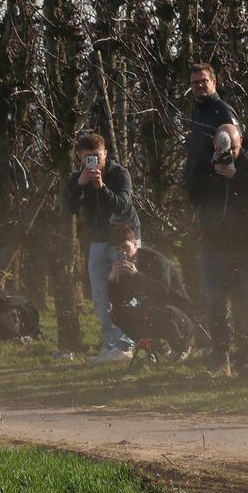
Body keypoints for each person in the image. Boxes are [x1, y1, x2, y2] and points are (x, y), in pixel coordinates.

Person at [187, 120, 248, 375]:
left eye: (233, 147)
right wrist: (214, 171)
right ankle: (220, 356)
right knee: (215, 302)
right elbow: (194, 196)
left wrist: (236, 176)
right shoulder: (204, 165)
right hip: (214, 247)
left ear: (240, 143)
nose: (228, 153)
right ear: (214, 144)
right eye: (223, 146)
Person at [64, 130, 140, 364]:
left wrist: (101, 187)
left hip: (123, 238)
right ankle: (111, 344)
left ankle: (127, 343)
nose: (93, 162)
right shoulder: (79, 178)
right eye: (87, 157)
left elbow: (123, 206)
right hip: (98, 239)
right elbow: (68, 208)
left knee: (125, 290)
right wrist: (79, 184)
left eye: (97, 155)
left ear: (105, 153)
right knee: (100, 292)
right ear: (80, 157)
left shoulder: (119, 175)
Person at [106, 224, 193, 355]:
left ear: (135, 244)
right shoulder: (124, 267)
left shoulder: (156, 259)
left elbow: (164, 292)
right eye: (118, 249)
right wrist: (112, 280)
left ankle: (182, 347)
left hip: (178, 313)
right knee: (117, 313)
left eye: (125, 247)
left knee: (161, 311)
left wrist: (137, 275)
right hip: (150, 311)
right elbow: (118, 302)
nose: (122, 252)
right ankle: (155, 347)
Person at [184, 63, 238, 178]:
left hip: (215, 188)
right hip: (195, 187)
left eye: (204, 81)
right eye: (195, 82)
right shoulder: (199, 112)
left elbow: (237, 148)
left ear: (214, 82)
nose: (199, 85)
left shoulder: (223, 111)